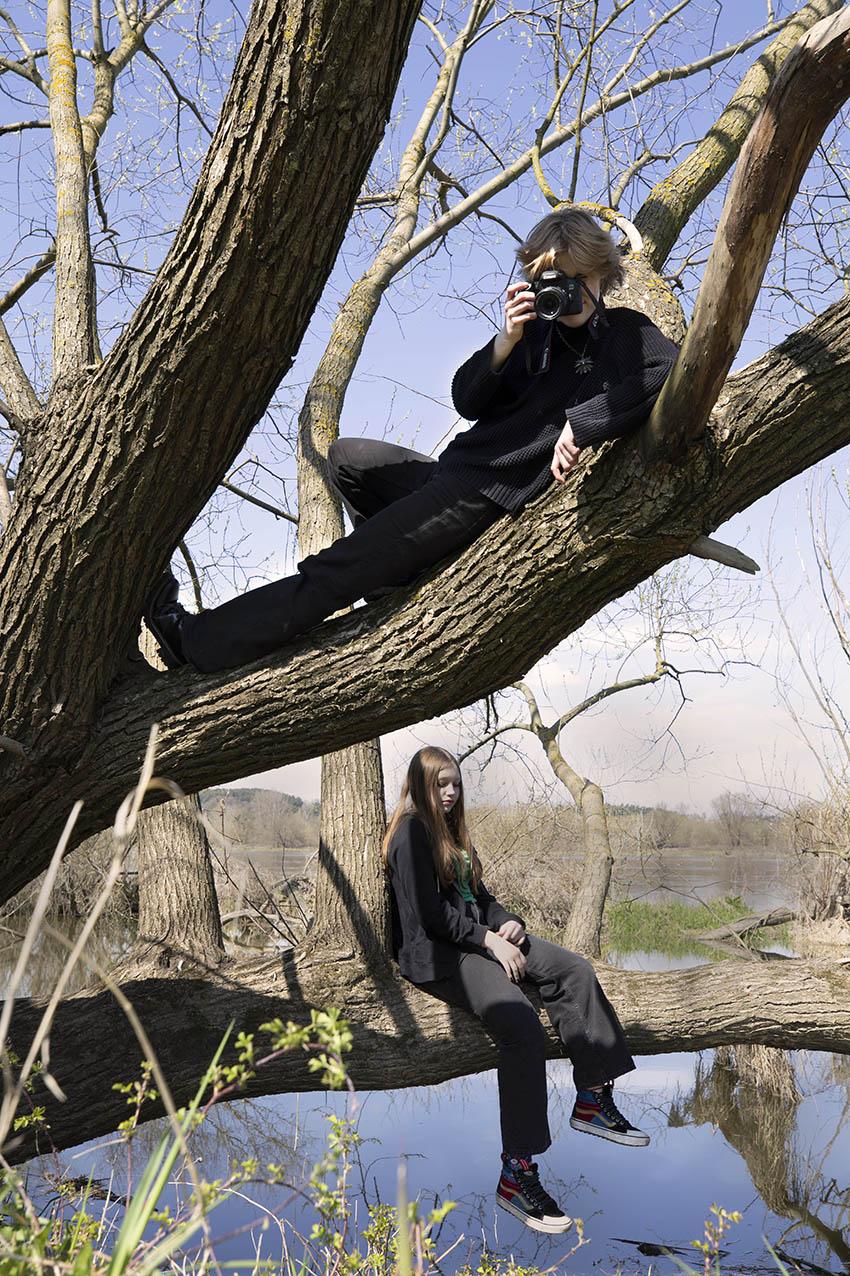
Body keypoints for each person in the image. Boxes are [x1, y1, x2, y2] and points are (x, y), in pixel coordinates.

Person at [144, 208, 678, 673]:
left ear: (603, 273)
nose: (565, 291)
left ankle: (196, 643)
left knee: (337, 568)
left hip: (482, 495)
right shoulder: (531, 331)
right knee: (348, 457)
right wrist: (505, 341)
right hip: (455, 472)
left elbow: (668, 370)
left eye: (576, 277)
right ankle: (394, 576)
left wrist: (582, 423)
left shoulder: (626, 333)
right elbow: (467, 399)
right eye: (551, 279)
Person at [384, 745, 649, 1237]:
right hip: (439, 956)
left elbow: (479, 898)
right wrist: (489, 942)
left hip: (477, 939)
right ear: (420, 784)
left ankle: (593, 1097)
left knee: (574, 970)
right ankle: (516, 1173)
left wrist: (508, 923)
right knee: (523, 1027)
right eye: (441, 783)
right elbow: (429, 914)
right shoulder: (410, 831)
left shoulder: (450, 831)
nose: (451, 792)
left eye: (456, 783)